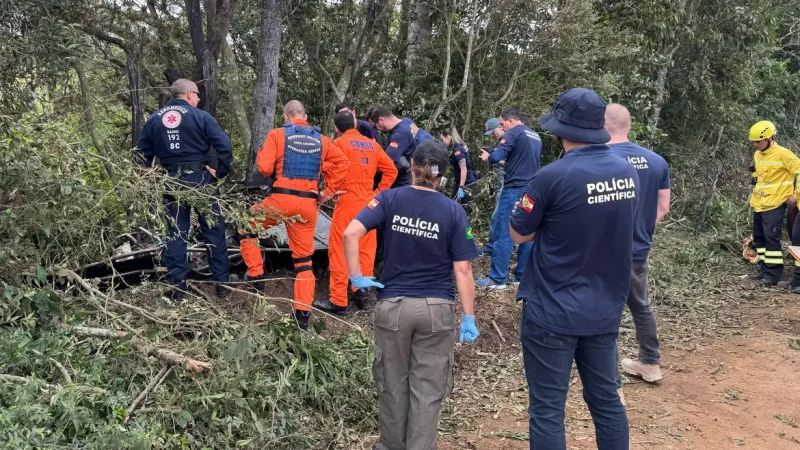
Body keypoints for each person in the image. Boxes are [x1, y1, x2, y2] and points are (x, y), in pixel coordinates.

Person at [511, 88, 637, 450]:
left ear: (560, 129)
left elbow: (519, 233)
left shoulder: (552, 177)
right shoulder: (626, 172)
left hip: (552, 310)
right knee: (607, 402)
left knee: (548, 409)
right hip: (605, 309)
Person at [342, 139, 480, 450]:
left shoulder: (389, 199)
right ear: (441, 176)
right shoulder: (453, 211)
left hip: (393, 306)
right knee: (427, 389)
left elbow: (350, 232)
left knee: (393, 384)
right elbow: (464, 271)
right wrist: (468, 317)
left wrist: (356, 277)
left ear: (412, 168)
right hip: (436, 310)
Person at [239, 100, 349, 329]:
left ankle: (256, 277)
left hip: (281, 200)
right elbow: (343, 163)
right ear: (305, 116)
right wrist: (326, 193)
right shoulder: (323, 140)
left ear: (285, 117)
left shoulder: (278, 135)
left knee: (246, 225)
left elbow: (265, 169)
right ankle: (302, 316)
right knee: (303, 261)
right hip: (308, 205)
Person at [136, 79, 233, 302]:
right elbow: (224, 146)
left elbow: (140, 153)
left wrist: (146, 178)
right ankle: (222, 286)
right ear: (189, 94)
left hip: (171, 181)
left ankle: (178, 288)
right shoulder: (201, 117)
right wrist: (220, 172)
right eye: (197, 95)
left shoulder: (154, 119)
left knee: (176, 234)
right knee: (213, 231)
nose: (198, 99)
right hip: (201, 180)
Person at [605, 104, 671, 389]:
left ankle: (605, 373)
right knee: (640, 305)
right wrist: (641, 227)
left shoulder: (601, 159)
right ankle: (651, 362)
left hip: (603, 249)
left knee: (605, 307)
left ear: (602, 125)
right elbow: (664, 207)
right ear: (629, 125)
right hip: (638, 248)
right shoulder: (656, 161)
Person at [313, 112, 398, 315]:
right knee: (366, 250)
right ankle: (361, 293)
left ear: (336, 129)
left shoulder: (338, 144)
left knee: (340, 249)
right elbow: (391, 171)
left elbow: (326, 166)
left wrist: (331, 190)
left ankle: (339, 301)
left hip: (347, 202)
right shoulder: (372, 144)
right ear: (355, 124)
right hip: (368, 205)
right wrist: (377, 194)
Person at [477, 108, 541, 289]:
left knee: (504, 231)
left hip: (514, 189)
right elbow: (520, 162)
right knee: (526, 233)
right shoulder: (535, 135)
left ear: (511, 120)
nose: (502, 127)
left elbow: (496, 156)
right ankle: (521, 275)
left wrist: (489, 156)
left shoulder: (514, 132)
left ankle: (497, 278)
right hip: (531, 190)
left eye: (503, 123)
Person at [748, 120, 800, 286]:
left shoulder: (784, 154)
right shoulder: (757, 155)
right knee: (759, 237)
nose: (755, 144)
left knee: (771, 238)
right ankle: (764, 269)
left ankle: (773, 273)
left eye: (758, 141)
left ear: (769, 138)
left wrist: (796, 195)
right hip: (760, 202)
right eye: (753, 141)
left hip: (776, 203)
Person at [368, 105, 417, 187]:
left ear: (381, 120)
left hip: (401, 182)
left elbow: (387, 162)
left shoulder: (400, 134)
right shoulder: (403, 124)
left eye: (375, 126)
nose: (376, 130)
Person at [478, 117, 505, 256]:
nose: (492, 136)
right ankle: (493, 247)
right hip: (499, 183)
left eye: (493, 132)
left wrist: (491, 157)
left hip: (507, 184)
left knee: (497, 217)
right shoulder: (499, 143)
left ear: (500, 127)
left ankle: (492, 248)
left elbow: (509, 164)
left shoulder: (509, 142)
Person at [441, 128, 477, 204]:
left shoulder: (458, 150)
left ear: (447, 137)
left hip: (467, 184)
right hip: (461, 182)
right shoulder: (460, 145)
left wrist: (461, 188)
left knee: (462, 207)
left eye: (443, 139)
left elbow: (464, 169)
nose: (443, 142)